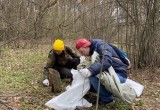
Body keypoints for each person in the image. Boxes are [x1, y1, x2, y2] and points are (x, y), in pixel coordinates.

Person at [75, 38, 128, 105]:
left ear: (85, 47)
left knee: (93, 77)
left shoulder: (101, 46)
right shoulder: (93, 49)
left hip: (119, 74)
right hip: (109, 73)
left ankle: (107, 100)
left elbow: (106, 61)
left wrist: (90, 70)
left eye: (82, 52)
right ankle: (104, 94)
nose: (82, 54)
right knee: (90, 83)